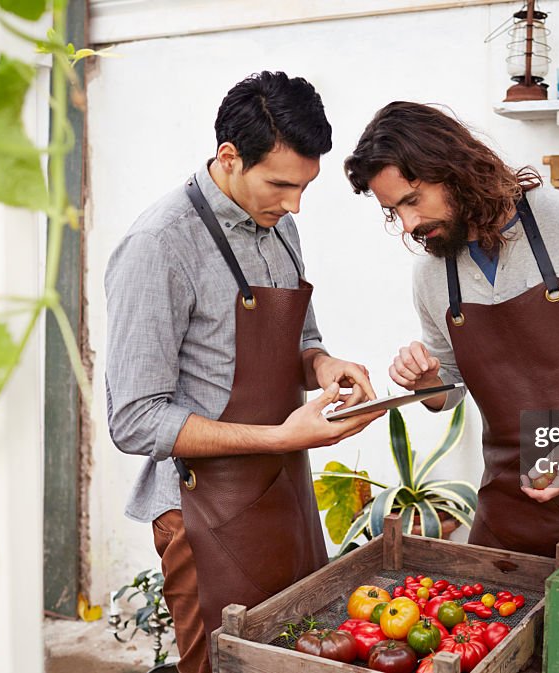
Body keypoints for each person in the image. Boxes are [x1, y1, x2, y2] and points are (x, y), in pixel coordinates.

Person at [106, 72, 383, 673]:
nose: (294, 205)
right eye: (280, 184)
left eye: (305, 187)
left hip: (284, 493)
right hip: (204, 512)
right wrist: (281, 438)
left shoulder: (281, 226)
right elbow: (134, 419)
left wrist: (327, 364)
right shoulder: (159, 244)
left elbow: (303, 341)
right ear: (229, 158)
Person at [344, 101, 559, 559]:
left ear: (453, 169)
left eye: (412, 200)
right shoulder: (432, 274)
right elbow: (451, 387)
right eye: (393, 211)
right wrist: (427, 384)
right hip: (516, 506)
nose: (409, 225)